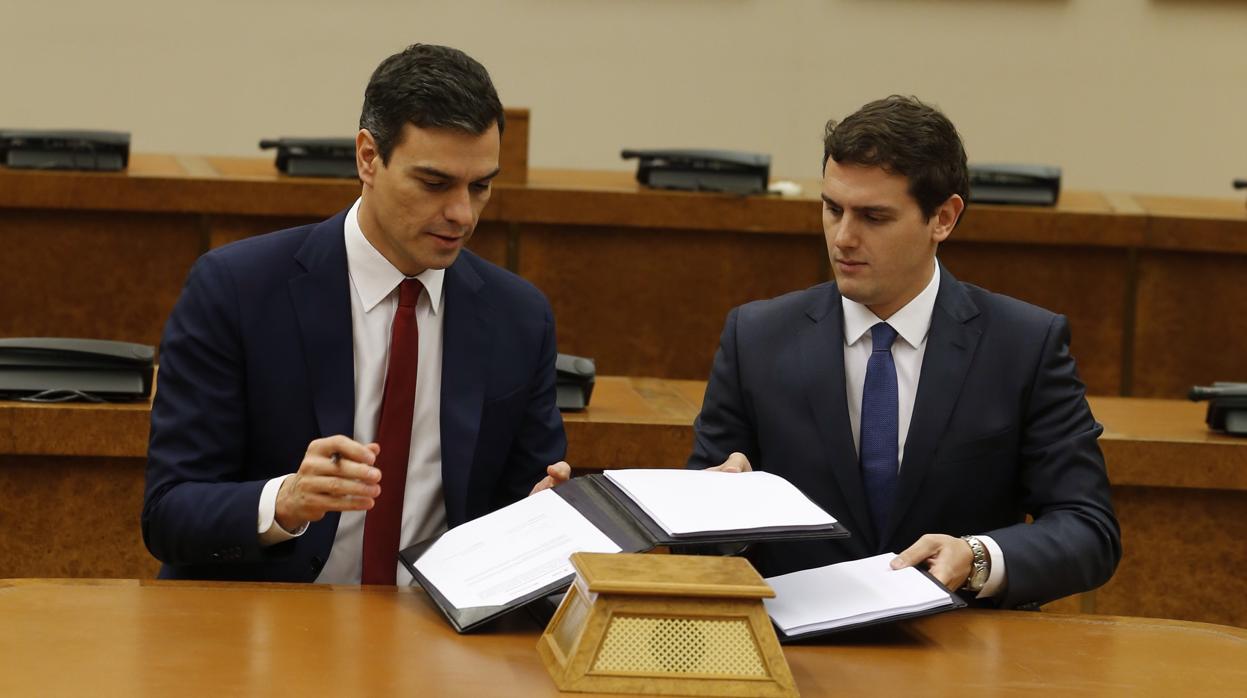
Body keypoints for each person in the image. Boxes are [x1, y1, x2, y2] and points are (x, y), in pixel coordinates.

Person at [143, 44, 569, 585]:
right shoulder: (236, 290)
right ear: (368, 157)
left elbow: (516, 509)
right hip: (264, 632)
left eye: (479, 186)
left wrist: (539, 519)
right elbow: (168, 513)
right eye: (435, 184)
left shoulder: (519, 318)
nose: (462, 213)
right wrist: (285, 501)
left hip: (436, 640)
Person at [688, 96, 1120, 608]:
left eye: (873, 216)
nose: (843, 237)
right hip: (800, 652)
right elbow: (698, 537)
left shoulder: (1023, 344)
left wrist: (977, 557)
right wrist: (718, 514)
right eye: (832, 209)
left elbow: (1088, 529)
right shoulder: (756, 337)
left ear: (943, 218)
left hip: (962, 653)